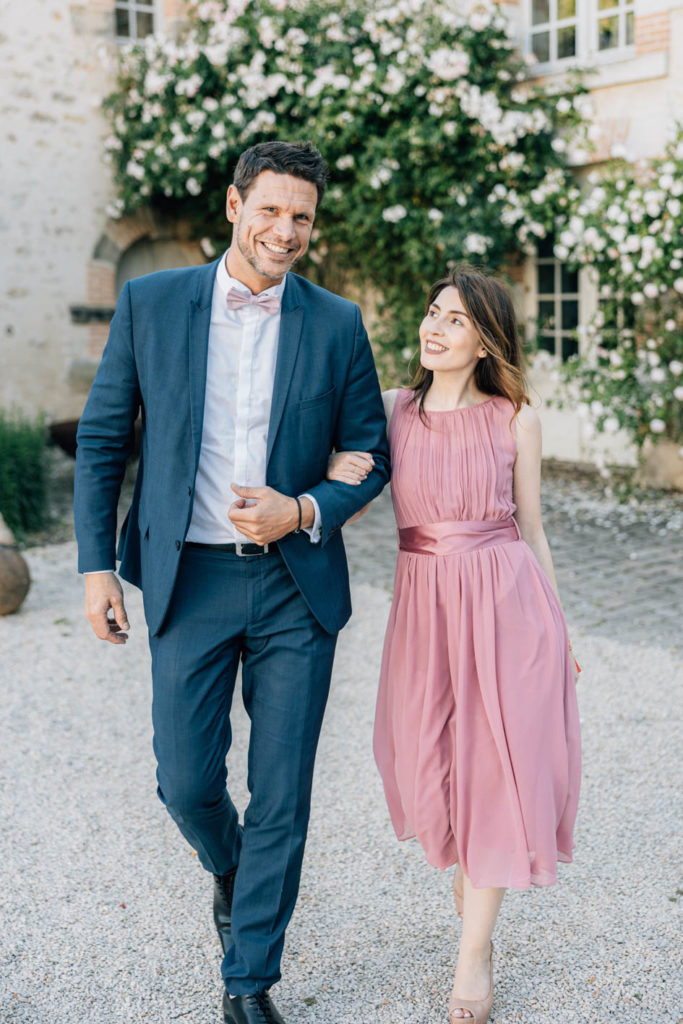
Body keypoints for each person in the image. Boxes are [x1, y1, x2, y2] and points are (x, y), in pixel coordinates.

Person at [74, 140, 390, 1024]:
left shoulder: (335, 323)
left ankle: (249, 979)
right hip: (189, 577)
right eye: (271, 210)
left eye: (302, 217)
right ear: (233, 205)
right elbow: (104, 443)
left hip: (296, 586)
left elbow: (371, 457)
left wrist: (303, 508)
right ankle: (228, 865)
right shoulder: (151, 303)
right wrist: (97, 566)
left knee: (283, 789)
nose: (285, 231)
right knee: (185, 781)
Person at [328, 266, 581, 1024]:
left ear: (483, 342)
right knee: (431, 764)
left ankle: (473, 954)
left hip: (508, 604)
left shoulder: (514, 419)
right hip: (425, 610)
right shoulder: (390, 412)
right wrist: (335, 469)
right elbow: (343, 485)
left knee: (498, 767)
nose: (433, 329)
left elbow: (532, 530)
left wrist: (560, 630)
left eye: (455, 321)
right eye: (431, 312)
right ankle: (474, 888)